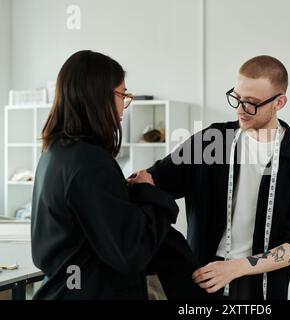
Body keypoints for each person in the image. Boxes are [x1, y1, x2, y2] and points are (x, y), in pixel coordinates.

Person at [142, 55, 290, 300]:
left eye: (251, 103)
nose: (239, 110)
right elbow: (153, 181)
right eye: (236, 98)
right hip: (202, 280)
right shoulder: (211, 142)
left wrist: (235, 269)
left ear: (279, 103)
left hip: (262, 289)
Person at [31, 50, 180, 299]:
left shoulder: (56, 153)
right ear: (99, 96)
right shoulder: (91, 163)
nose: (124, 104)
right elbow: (131, 251)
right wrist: (149, 192)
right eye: (123, 95)